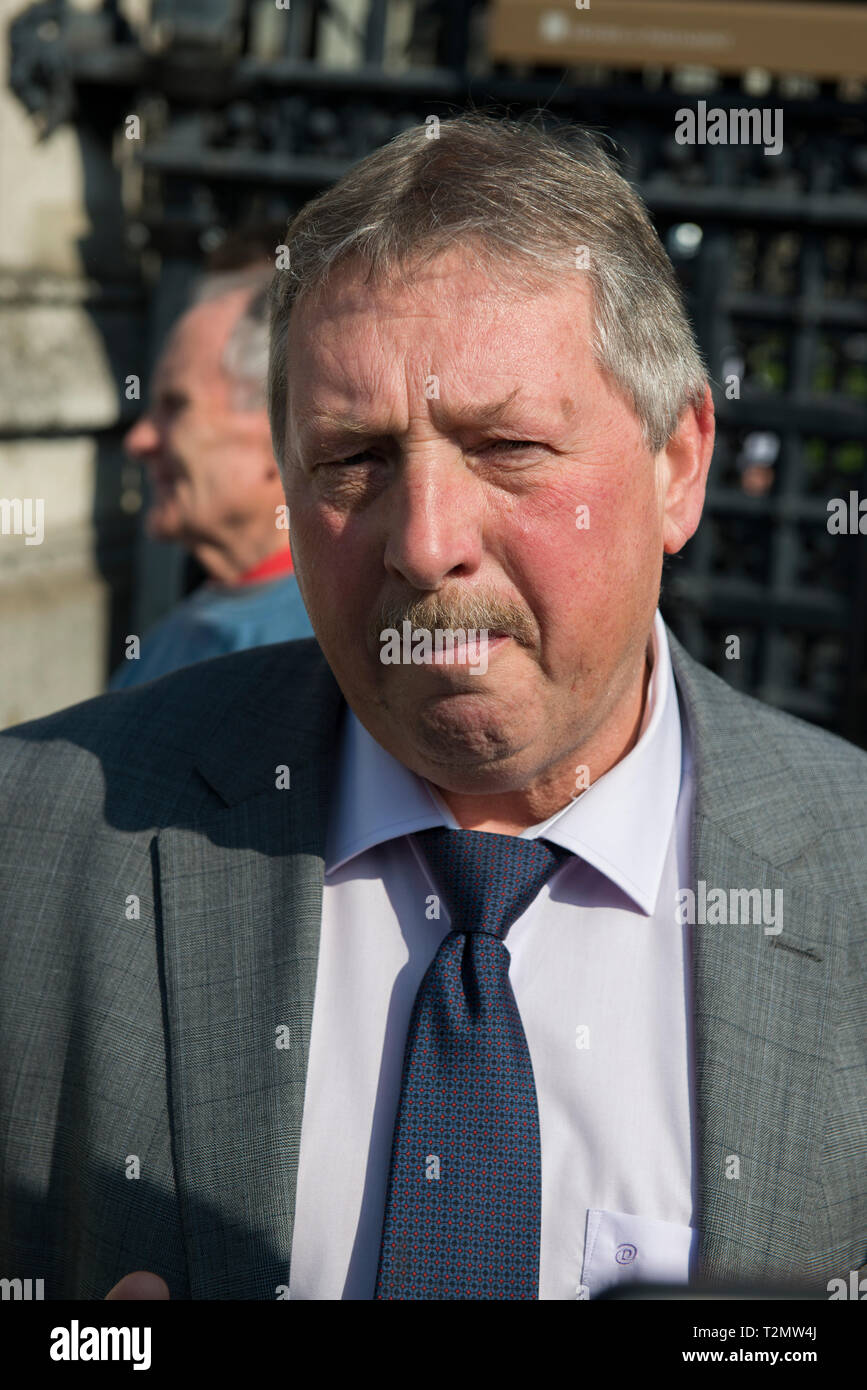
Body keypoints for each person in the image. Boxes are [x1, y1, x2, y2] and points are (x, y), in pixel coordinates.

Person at [1, 114, 864, 1302]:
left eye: (507, 446)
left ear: (678, 465)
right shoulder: (37, 840)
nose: (423, 542)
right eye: (352, 460)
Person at [108, 267, 313, 691]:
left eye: (175, 406)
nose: (139, 440)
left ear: (280, 430)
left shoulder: (340, 652)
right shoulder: (169, 641)